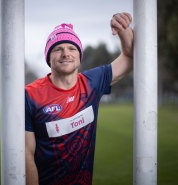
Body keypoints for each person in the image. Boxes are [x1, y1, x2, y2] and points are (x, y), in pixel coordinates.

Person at [25, 12, 134, 185]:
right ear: (48, 56)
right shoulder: (31, 95)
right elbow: (26, 155)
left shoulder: (92, 82)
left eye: (72, 48)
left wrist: (123, 28)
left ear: (79, 55)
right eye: (58, 49)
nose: (65, 54)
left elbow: (130, 56)